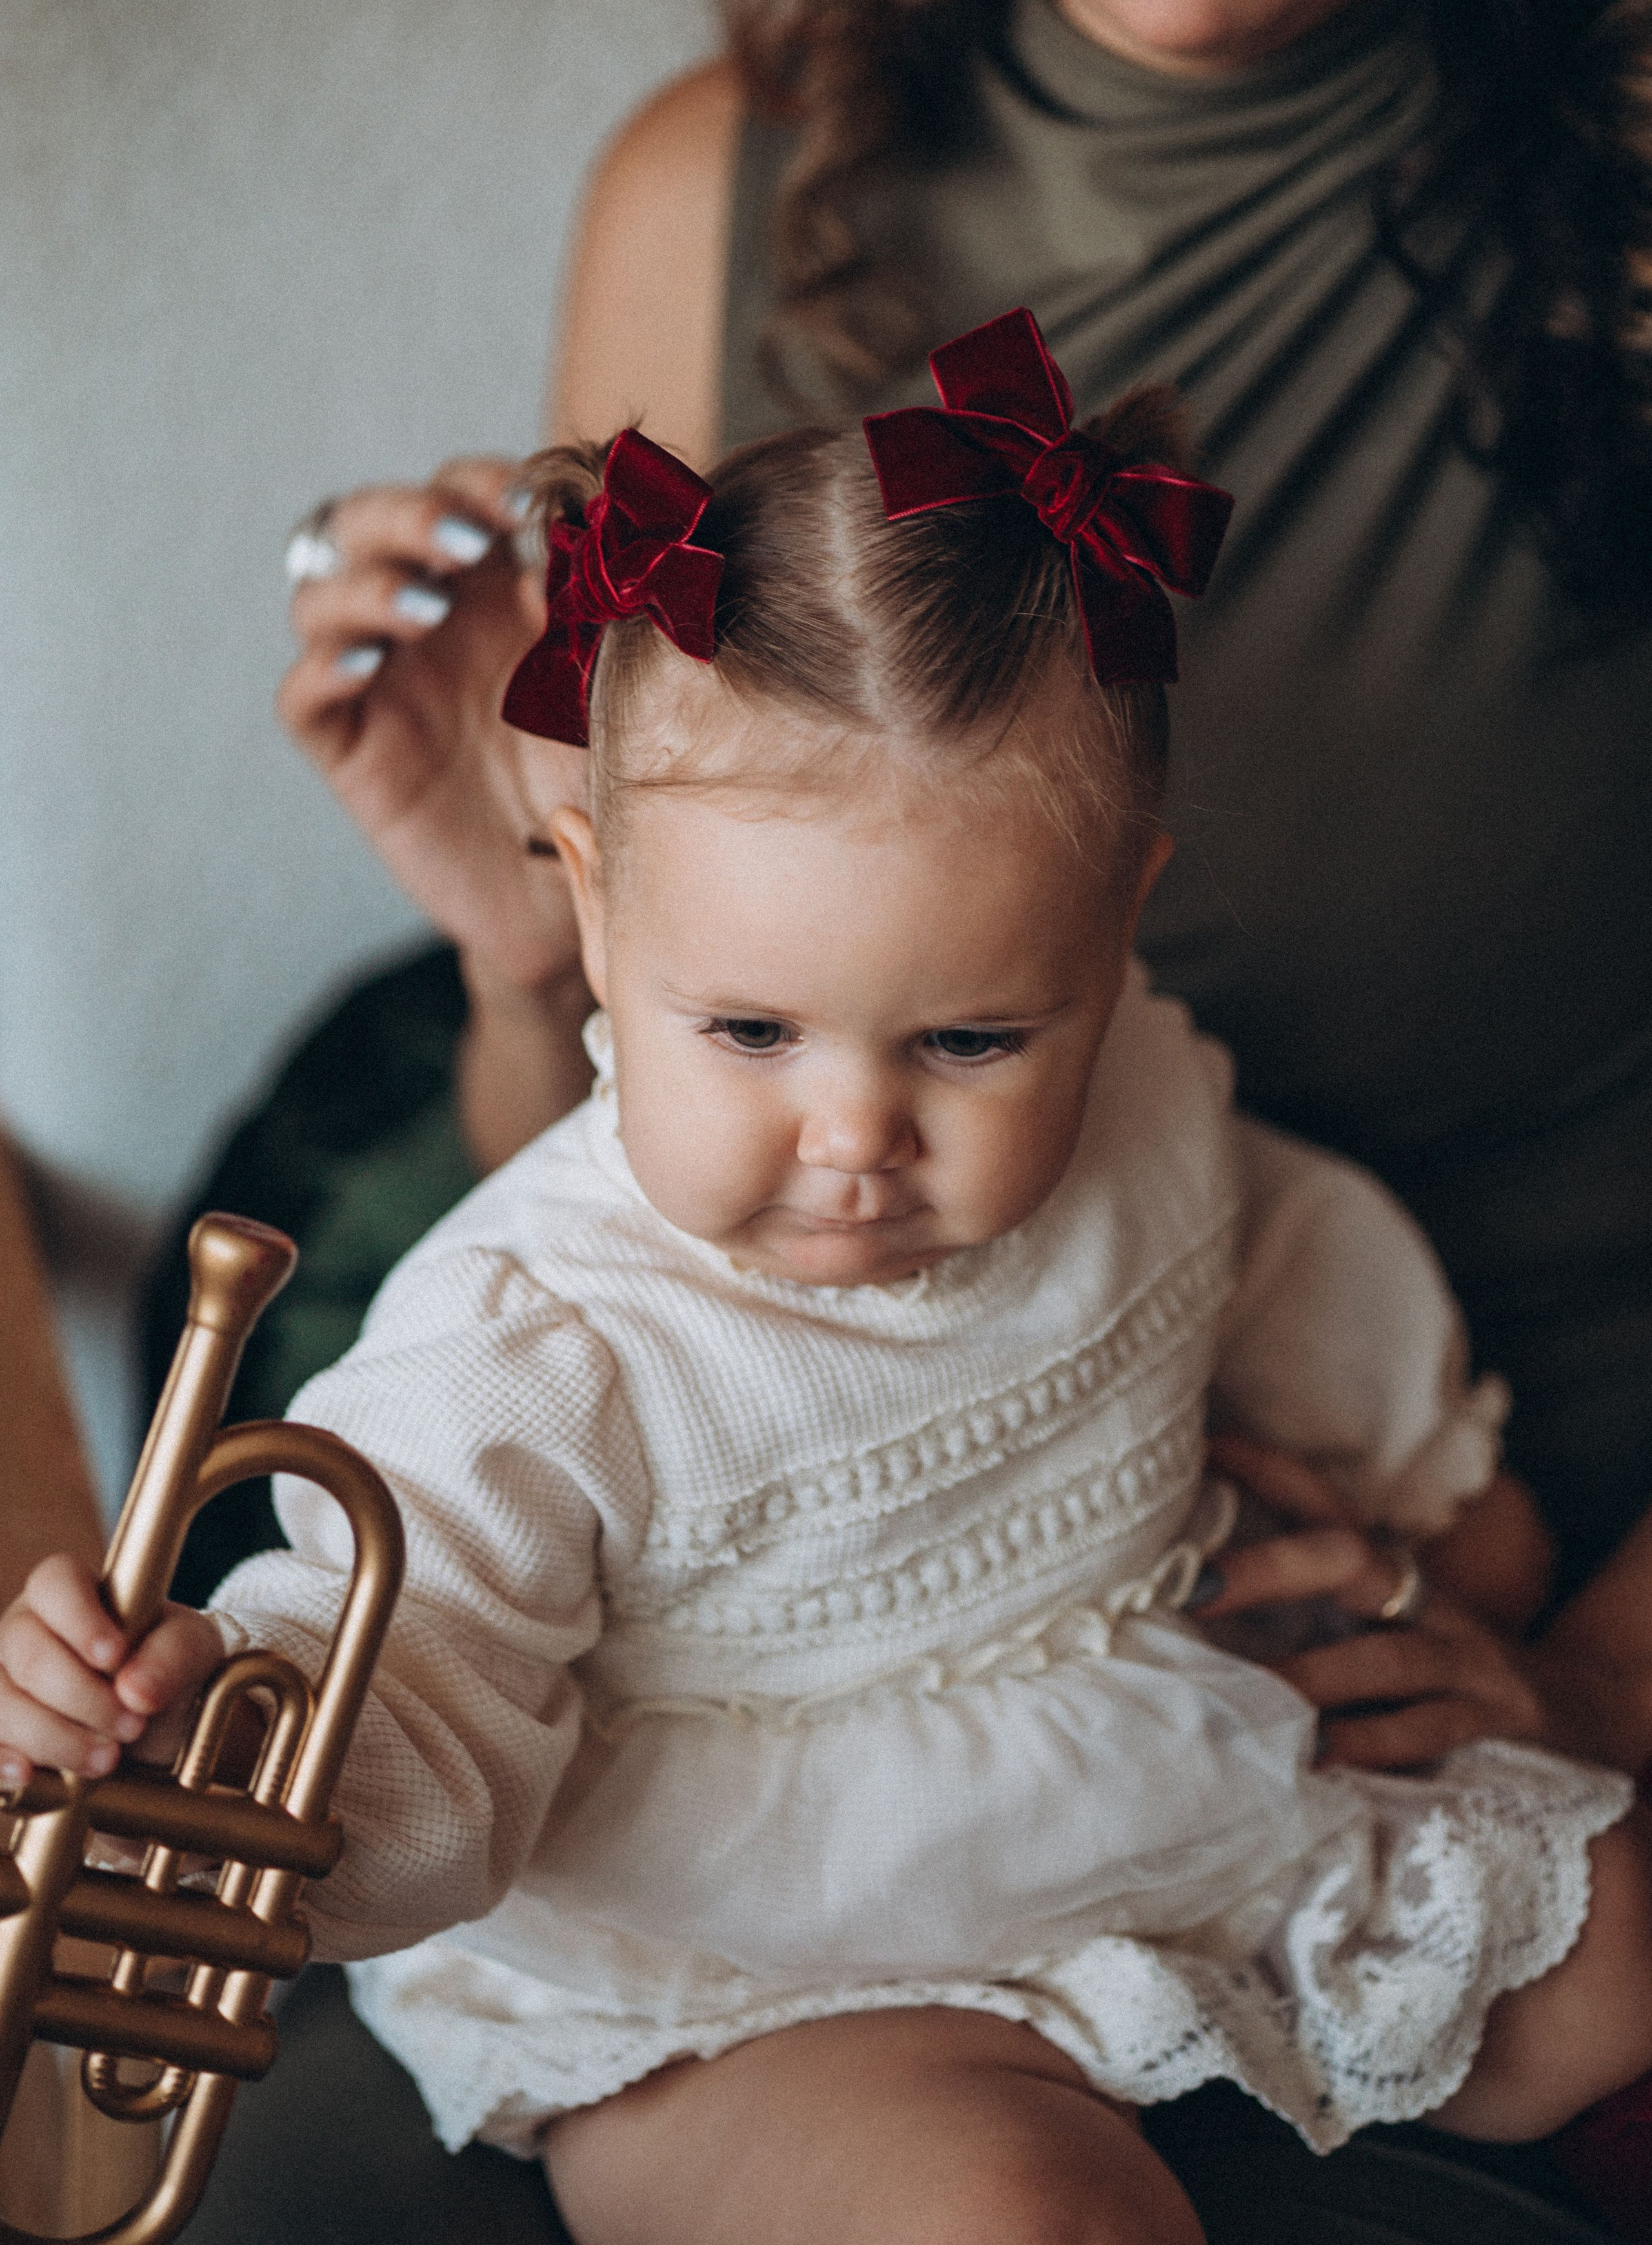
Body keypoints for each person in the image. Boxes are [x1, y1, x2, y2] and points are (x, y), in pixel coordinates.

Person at [10, 320, 1651, 2244]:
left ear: (1117, 931)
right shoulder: (534, 1342)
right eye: (757, 1029)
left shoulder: (1143, 1096)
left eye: (970, 1043)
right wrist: (209, 1731)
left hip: (1152, 1805)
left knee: (1618, 1955)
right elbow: (417, 1682)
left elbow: (1277, 1248)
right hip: (756, 1963)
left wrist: (1436, 1500)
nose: (853, 1133)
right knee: (1015, 2218)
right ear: (599, 913)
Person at [255, 0, 1652, 1794]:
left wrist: (1611, 1689)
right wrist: (521, 949)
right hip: (872, 1627)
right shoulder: (719, 185)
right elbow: (630, 1240)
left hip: (1525, 1525)